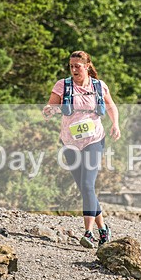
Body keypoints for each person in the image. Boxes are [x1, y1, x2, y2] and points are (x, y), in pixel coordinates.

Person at [43, 50, 120, 248]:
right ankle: (104, 229)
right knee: (85, 189)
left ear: (87, 66)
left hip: (94, 139)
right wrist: (49, 110)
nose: (74, 69)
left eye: (78, 65)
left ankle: (88, 232)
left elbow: (111, 107)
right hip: (69, 141)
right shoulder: (63, 85)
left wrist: (115, 124)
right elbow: (50, 107)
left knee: (87, 185)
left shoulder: (99, 86)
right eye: (71, 66)